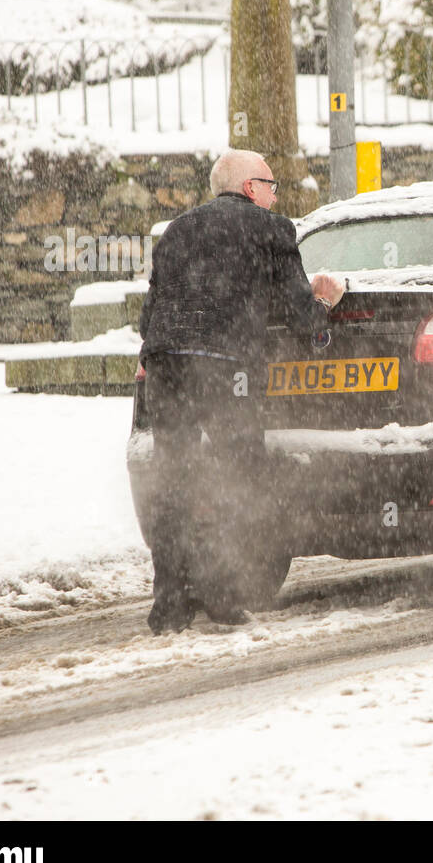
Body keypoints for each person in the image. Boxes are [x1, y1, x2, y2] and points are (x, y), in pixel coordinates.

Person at [138, 149, 346, 634]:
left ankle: (170, 602)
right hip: (225, 369)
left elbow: (149, 317)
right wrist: (323, 301)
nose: (276, 195)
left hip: (165, 364)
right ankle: (222, 595)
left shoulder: (176, 231)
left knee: (174, 479)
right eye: (271, 185)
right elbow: (299, 318)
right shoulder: (271, 228)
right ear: (251, 188)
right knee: (237, 478)